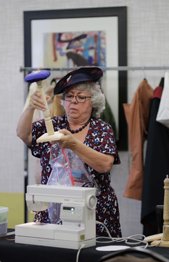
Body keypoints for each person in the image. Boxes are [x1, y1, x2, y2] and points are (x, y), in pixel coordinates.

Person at [16, 67, 121, 237]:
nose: (73, 101)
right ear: (63, 101)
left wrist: (74, 144)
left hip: (94, 211)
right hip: (53, 209)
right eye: (69, 97)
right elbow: (24, 134)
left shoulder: (101, 129)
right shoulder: (52, 125)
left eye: (80, 97)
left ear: (93, 101)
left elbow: (105, 164)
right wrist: (30, 107)